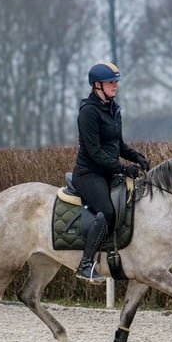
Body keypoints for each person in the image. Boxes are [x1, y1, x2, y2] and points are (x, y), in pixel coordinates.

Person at [72, 61, 149, 283]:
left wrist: (137, 157)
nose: (115, 85)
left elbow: (119, 145)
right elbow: (95, 152)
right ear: (97, 85)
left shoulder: (114, 109)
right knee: (106, 211)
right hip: (89, 173)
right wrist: (124, 168)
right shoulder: (88, 112)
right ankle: (85, 264)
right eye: (110, 82)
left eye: (116, 81)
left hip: (108, 172)